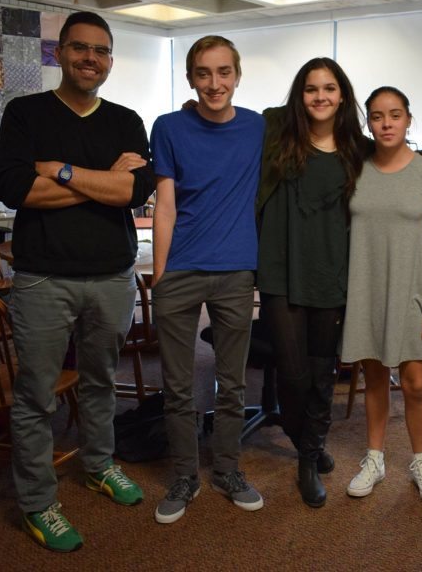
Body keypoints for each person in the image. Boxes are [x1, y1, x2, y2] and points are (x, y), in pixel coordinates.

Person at [0, 11, 155, 552]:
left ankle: (99, 465)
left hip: (112, 277)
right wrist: (104, 179)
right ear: (58, 53)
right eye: (80, 48)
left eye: (101, 51)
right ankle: (38, 502)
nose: (91, 58)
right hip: (43, 280)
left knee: (100, 383)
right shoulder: (26, 112)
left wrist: (57, 170)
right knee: (37, 396)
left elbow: (133, 193)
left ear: (110, 59)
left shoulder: (127, 119)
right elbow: (16, 191)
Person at [256, 59, 422, 508]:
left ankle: (308, 456)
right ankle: (309, 441)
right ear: (299, 95)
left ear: (343, 96)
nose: (320, 96)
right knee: (293, 374)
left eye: (329, 88)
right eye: (310, 88)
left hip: (332, 275)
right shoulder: (276, 134)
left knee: (323, 373)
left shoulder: (355, 150)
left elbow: (394, 160)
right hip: (282, 270)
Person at [150, 35, 265, 524]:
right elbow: (166, 204)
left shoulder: (260, 127)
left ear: (237, 75)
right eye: (203, 73)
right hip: (179, 270)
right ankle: (183, 475)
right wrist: (159, 274)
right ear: (192, 77)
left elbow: (328, 132)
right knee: (176, 386)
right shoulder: (170, 127)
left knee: (232, 383)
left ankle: (227, 470)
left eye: (223, 72)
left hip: (236, 270)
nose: (214, 83)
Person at [341, 86, 422, 503]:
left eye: (395, 115)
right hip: (366, 289)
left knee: (416, 382)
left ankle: (420, 460)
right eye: (376, 116)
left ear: (409, 119)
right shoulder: (354, 166)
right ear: (368, 122)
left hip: (413, 291)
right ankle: (375, 458)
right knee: (373, 379)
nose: (386, 124)